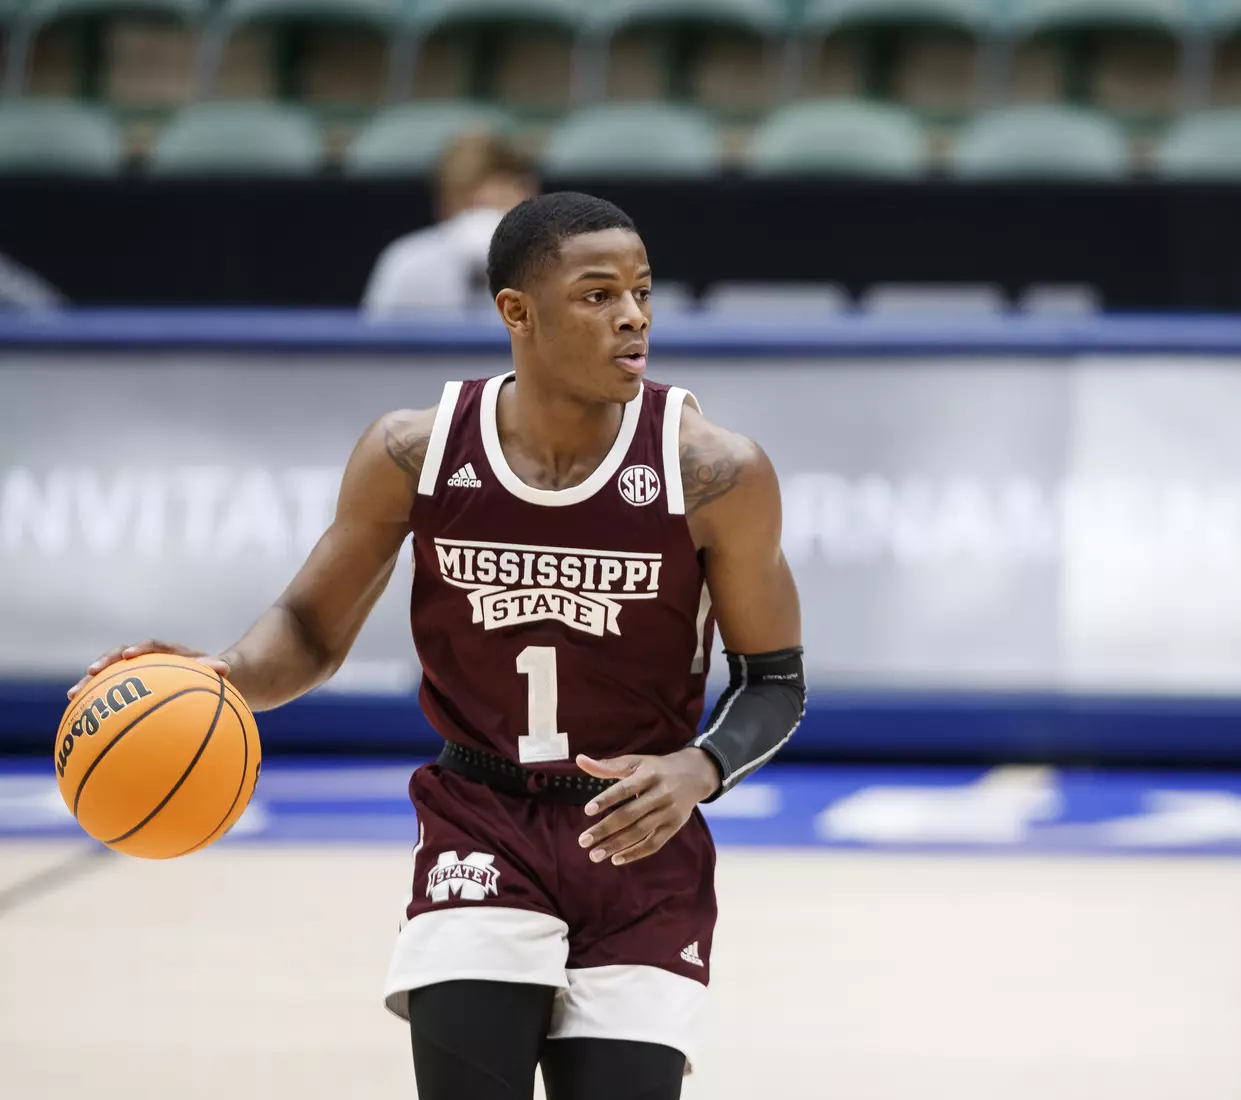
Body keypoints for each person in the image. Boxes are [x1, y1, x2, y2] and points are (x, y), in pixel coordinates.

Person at [72, 192, 806, 1100]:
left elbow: (774, 682)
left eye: (642, 291)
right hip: (481, 820)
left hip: (638, 846)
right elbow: (307, 628)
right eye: (598, 294)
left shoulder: (715, 471)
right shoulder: (412, 452)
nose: (633, 316)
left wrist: (700, 768)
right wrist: (221, 677)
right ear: (516, 312)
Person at [361, 132, 539, 318]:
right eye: (473, 206)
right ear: (448, 207)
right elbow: (375, 342)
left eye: (499, 204)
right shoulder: (407, 264)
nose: (483, 222)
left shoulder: (553, 269)